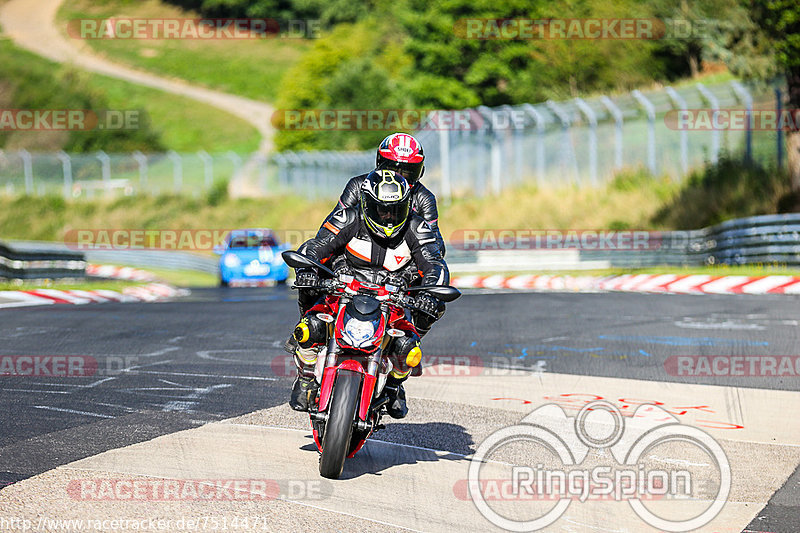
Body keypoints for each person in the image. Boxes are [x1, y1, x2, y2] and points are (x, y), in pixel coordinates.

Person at [288, 169, 449, 418]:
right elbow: (316, 245)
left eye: (395, 210)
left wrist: (429, 295)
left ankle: (395, 385)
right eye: (381, 209)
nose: (387, 216)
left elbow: (434, 264)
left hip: (392, 300)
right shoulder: (348, 218)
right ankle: (307, 377)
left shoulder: (418, 229)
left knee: (409, 349)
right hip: (342, 292)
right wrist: (308, 268)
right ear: (366, 204)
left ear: (407, 206)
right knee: (310, 329)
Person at [323, 132, 445, 255]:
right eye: (392, 170)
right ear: (379, 163)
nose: (399, 178)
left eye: (407, 172)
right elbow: (328, 230)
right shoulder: (358, 185)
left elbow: (436, 246)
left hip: (400, 262)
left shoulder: (424, 197)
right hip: (356, 259)